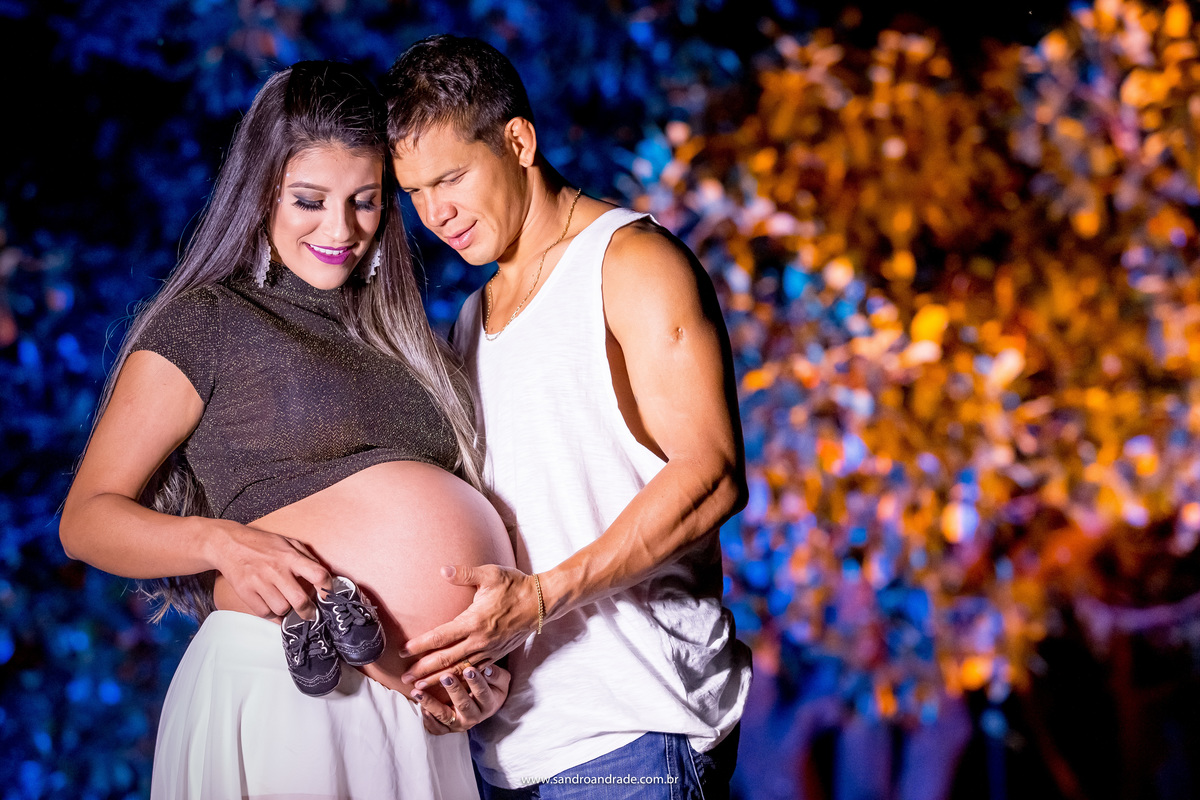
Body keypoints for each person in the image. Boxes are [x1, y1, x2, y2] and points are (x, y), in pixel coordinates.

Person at [59, 61, 514, 800]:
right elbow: (86, 521)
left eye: (365, 203)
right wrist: (219, 542)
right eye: (310, 200)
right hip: (287, 685)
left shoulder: (408, 343)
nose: (340, 230)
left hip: (410, 716)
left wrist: (472, 684)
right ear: (263, 190)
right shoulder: (207, 323)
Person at [383, 35, 754, 798]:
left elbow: (712, 474)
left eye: (450, 177)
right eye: (414, 192)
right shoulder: (469, 320)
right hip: (509, 751)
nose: (435, 213)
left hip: (634, 734)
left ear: (518, 140)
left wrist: (541, 600)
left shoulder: (630, 263)